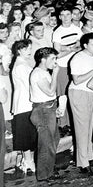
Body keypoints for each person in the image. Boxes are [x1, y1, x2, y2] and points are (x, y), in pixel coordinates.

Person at [68, 33, 93, 175]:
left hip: (92, 93)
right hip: (79, 93)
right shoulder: (77, 58)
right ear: (85, 45)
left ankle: (88, 157)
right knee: (82, 128)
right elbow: (77, 80)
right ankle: (83, 163)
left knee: (89, 128)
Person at [29, 47, 61, 182]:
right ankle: (44, 175)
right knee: (46, 144)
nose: (55, 62)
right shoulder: (38, 74)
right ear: (43, 60)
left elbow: (51, 94)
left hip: (49, 108)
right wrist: (55, 74)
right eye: (53, 58)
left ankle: (49, 169)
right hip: (42, 111)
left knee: (54, 140)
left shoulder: (44, 72)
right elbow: (49, 91)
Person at [11, 39, 37, 174]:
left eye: (30, 49)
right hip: (24, 103)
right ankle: (28, 161)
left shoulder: (24, 63)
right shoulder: (21, 66)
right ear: (19, 50)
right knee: (25, 133)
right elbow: (29, 85)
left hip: (28, 103)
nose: (29, 51)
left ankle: (28, 160)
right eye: (26, 49)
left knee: (31, 132)